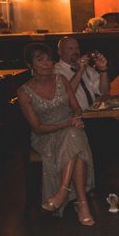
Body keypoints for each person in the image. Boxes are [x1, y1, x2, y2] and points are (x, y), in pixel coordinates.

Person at [17, 43, 95, 226]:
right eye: (40, 59)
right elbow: (37, 127)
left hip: (70, 128)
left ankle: (62, 191)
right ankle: (81, 204)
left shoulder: (61, 80)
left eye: (49, 59)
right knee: (74, 138)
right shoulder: (24, 92)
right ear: (30, 65)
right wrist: (67, 123)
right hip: (45, 135)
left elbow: (76, 108)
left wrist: (75, 118)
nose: (46, 63)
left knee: (73, 135)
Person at [54, 36, 110, 111]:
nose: (75, 52)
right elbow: (66, 95)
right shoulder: (56, 71)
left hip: (94, 114)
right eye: (70, 49)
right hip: (74, 118)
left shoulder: (86, 68)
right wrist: (80, 71)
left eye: (77, 48)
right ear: (60, 52)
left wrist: (103, 70)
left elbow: (104, 91)